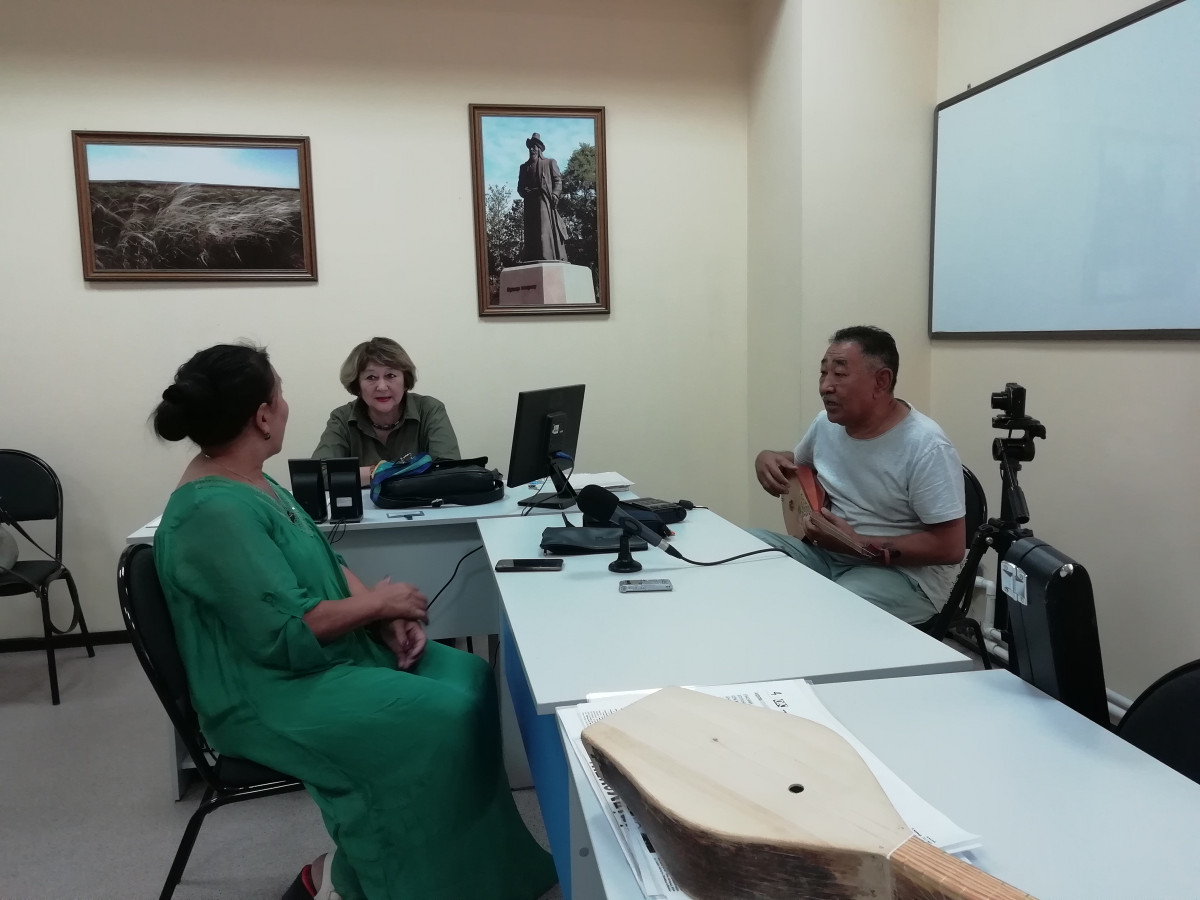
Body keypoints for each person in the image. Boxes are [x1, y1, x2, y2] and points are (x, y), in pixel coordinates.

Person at [151, 344, 557, 900]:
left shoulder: (253, 482)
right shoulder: (211, 511)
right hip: (266, 692)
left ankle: (485, 875)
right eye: (280, 394)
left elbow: (327, 562)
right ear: (263, 416)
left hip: (323, 656)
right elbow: (284, 631)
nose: (286, 405)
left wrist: (380, 616)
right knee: (437, 717)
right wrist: (380, 606)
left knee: (468, 677)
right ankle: (367, 878)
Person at [751, 326, 966, 625]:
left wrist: (860, 543)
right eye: (823, 373)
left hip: (903, 576)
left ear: (881, 381)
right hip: (828, 555)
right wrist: (767, 458)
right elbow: (799, 466)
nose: (826, 386)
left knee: (826, 611)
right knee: (741, 551)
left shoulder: (926, 445)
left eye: (839, 374)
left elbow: (951, 547)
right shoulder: (825, 424)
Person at [312, 337, 460, 486]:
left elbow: (449, 470)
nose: (382, 387)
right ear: (357, 385)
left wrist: (363, 474)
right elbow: (316, 475)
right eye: (371, 377)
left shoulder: (430, 409)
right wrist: (377, 471)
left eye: (391, 376)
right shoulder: (342, 418)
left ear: (405, 381)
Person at [517, 133, 569, 263]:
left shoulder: (550, 163)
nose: (532, 149)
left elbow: (558, 181)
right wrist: (525, 192)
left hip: (543, 200)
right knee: (531, 231)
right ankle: (532, 257)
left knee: (543, 230)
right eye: (530, 147)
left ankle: (546, 256)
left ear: (539, 149)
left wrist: (555, 194)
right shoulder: (524, 167)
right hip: (529, 202)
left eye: (534, 147)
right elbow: (520, 187)